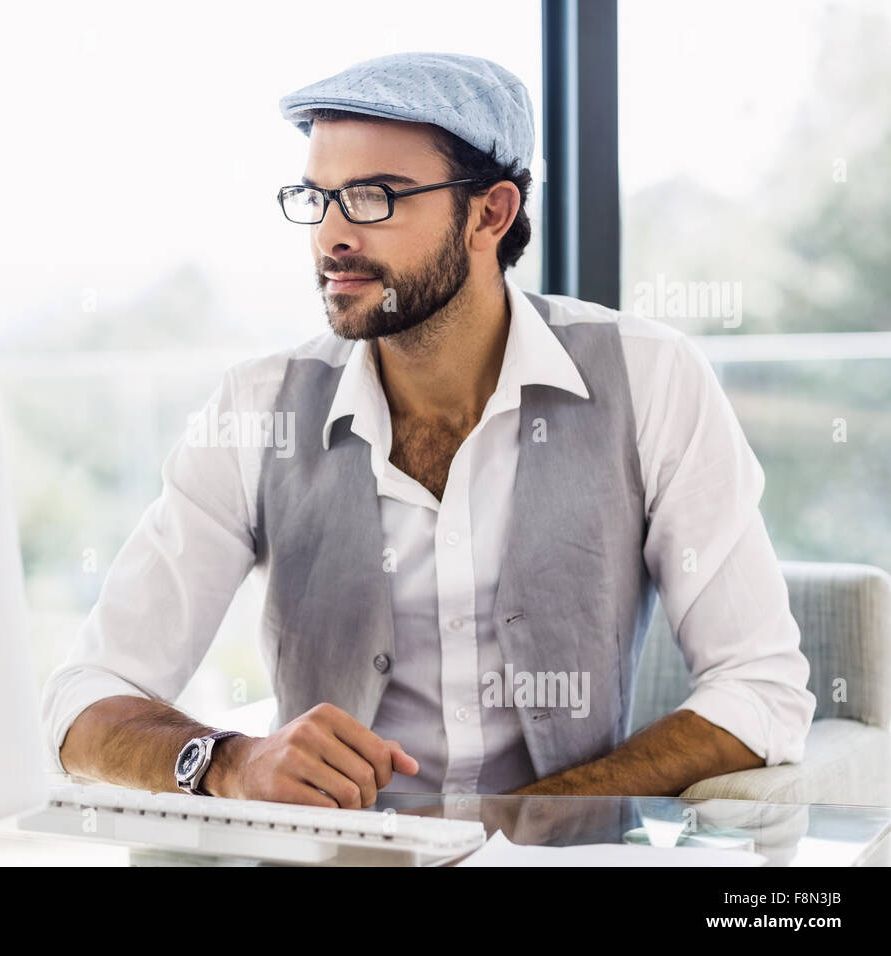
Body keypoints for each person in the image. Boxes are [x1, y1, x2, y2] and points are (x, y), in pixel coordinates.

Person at [40, 52, 816, 807]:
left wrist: (532, 820)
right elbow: (84, 700)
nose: (332, 236)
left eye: (375, 196)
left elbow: (761, 689)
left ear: (491, 213)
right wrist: (230, 762)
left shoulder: (651, 378)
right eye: (318, 198)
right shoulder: (257, 410)